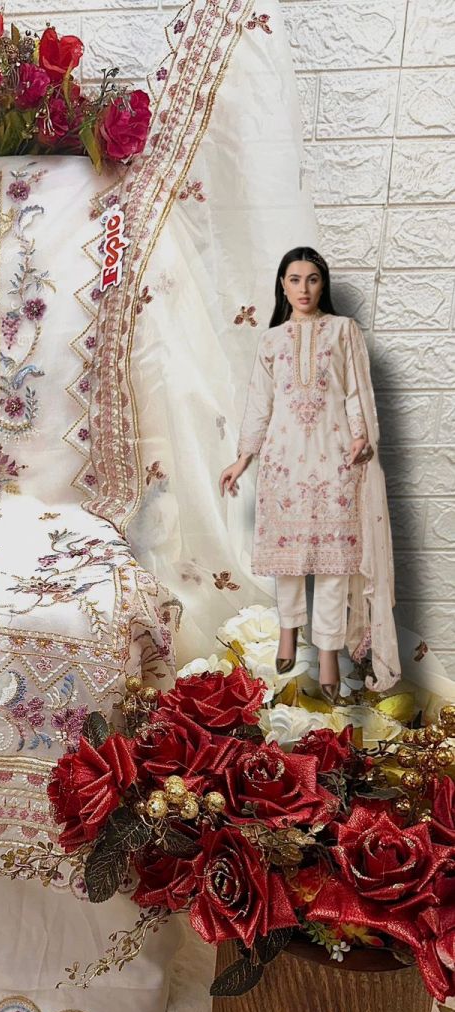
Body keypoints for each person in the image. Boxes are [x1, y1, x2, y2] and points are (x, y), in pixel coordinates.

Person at [219, 247, 400, 701]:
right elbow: (260, 403)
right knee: (289, 559)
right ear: (282, 285)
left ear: (323, 284)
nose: (304, 288)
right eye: (295, 279)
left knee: (335, 566)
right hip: (283, 462)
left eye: (313, 279)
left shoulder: (343, 330)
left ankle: (328, 654)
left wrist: (361, 436)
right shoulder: (271, 341)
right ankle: (288, 632)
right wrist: (243, 457)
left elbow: (356, 389)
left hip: (336, 461)